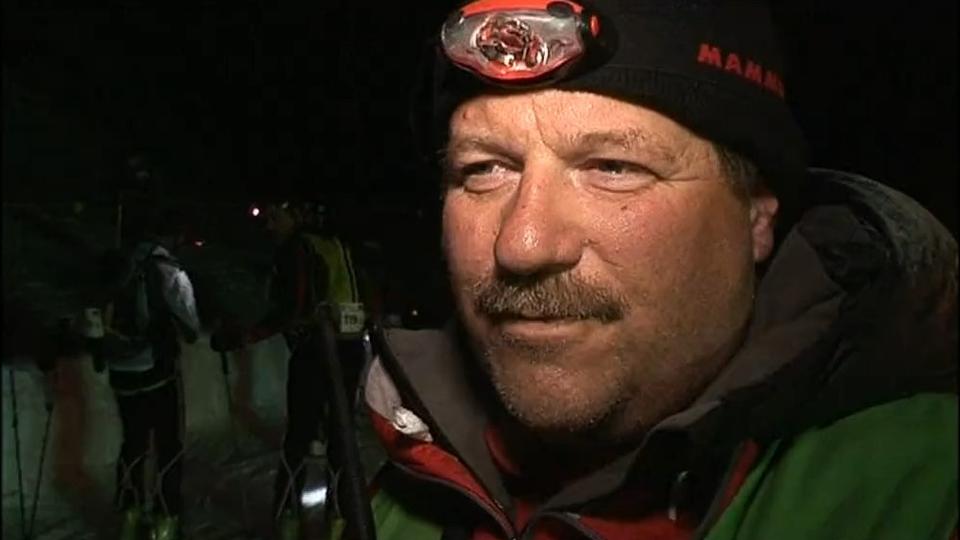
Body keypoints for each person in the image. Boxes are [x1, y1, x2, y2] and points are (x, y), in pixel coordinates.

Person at [352, 1, 959, 539]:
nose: (524, 243)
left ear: (756, 217)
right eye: (484, 169)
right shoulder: (396, 496)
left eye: (613, 166)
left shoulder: (927, 493)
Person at [210, 200, 369, 538]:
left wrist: (246, 335)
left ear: (295, 216)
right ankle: (340, 517)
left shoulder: (297, 248)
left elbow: (292, 308)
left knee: (299, 436)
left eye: (274, 217)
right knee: (341, 436)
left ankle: (287, 517)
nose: (269, 226)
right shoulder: (337, 244)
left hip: (317, 349)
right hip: (350, 347)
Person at [95, 212, 200, 540]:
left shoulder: (119, 264)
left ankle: (130, 512)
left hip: (120, 372)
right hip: (157, 371)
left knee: (133, 441)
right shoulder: (168, 271)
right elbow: (192, 329)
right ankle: (166, 519)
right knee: (168, 444)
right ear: (169, 238)